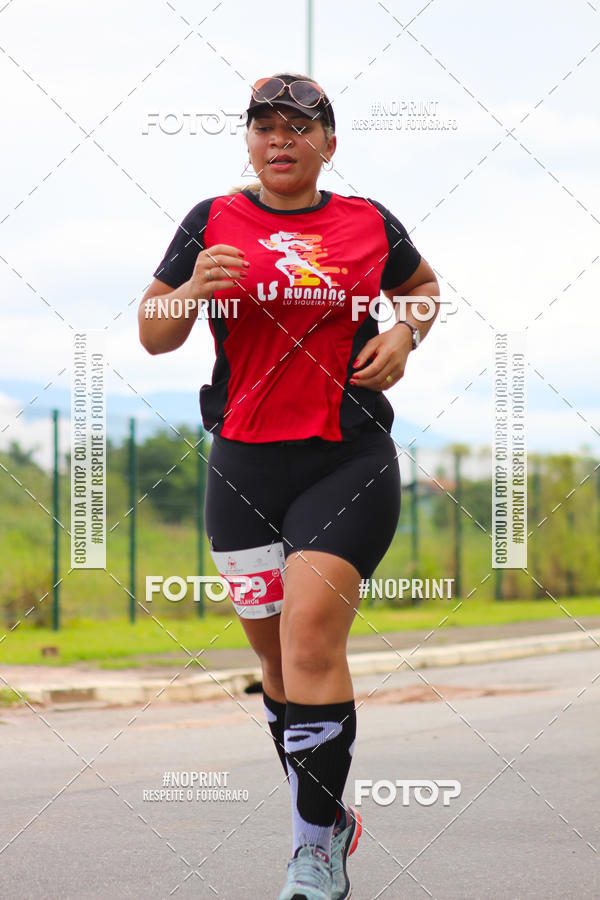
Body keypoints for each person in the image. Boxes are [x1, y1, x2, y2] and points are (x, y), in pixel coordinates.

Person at [138, 72, 439, 900]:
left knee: (311, 641)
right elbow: (153, 334)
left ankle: (313, 852)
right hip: (243, 462)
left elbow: (421, 290)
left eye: (298, 129)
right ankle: (332, 816)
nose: (281, 140)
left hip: (349, 453)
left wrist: (407, 337)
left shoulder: (367, 221)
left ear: (327, 145)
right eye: (265, 127)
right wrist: (194, 289)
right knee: (275, 667)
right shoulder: (212, 221)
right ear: (248, 142)